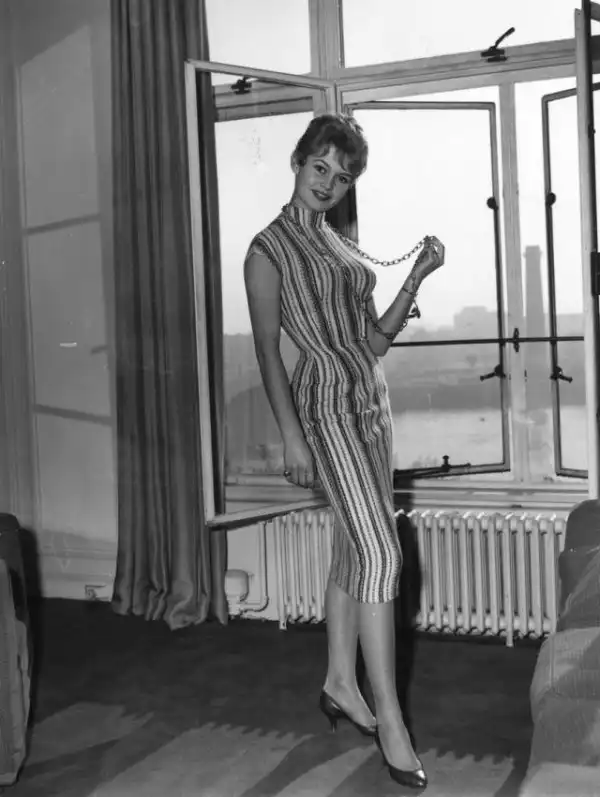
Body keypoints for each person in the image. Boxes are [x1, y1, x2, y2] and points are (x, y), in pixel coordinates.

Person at [244, 112, 444, 790]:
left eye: (343, 175)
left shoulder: (336, 244)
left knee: (354, 547)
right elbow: (268, 351)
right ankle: (390, 718)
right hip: (324, 409)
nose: (329, 182)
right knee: (382, 553)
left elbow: (374, 343)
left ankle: (338, 678)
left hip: (371, 407)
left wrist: (416, 276)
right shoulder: (267, 251)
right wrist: (290, 434)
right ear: (298, 162)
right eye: (320, 166)